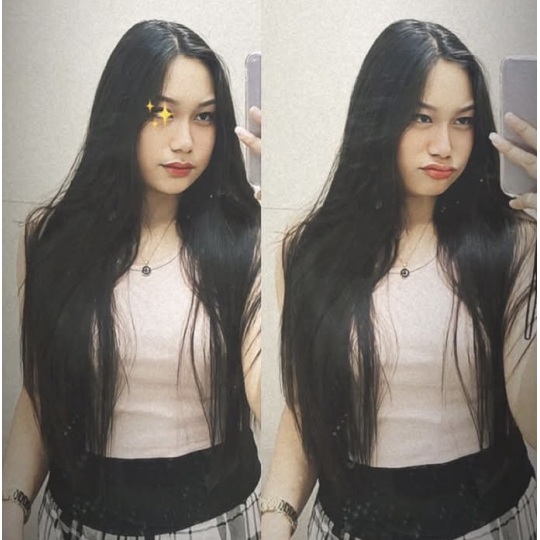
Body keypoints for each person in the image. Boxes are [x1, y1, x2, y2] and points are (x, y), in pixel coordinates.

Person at [261, 19, 536, 539]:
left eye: (463, 121)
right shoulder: (307, 249)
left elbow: (533, 421)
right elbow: (304, 412)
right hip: (347, 525)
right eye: (421, 117)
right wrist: (275, 518)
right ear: (378, 116)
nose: (444, 146)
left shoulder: (513, 241)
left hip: (491, 522)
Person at [3, 20, 262, 539]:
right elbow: (39, 394)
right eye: (160, 112)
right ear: (120, 113)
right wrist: (11, 505)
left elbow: (274, 395)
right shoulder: (50, 237)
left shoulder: (246, 241)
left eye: (204, 117)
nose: (184, 141)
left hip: (215, 522)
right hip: (74, 522)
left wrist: (280, 222)